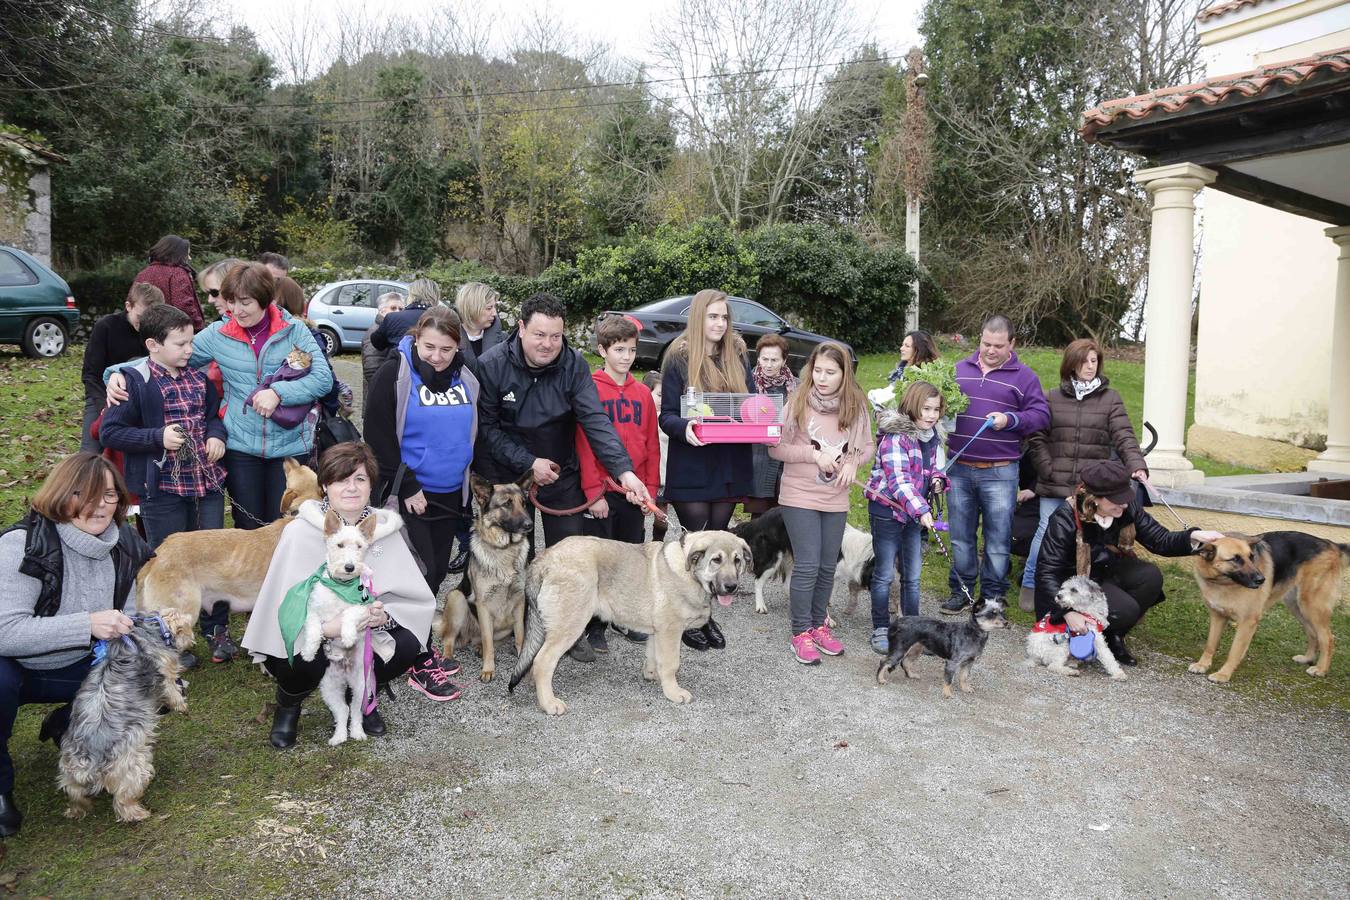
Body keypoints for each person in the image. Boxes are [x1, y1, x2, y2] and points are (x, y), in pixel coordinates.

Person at [106, 263, 333, 662]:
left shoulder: (295, 331)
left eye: (245, 303)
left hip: (287, 451)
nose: (236, 310)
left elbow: (323, 381)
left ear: (266, 301)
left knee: (289, 541)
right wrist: (114, 376)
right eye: (231, 302)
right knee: (248, 540)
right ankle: (241, 624)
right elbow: (157, 355)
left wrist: (278, 392)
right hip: (243, 448)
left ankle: (284, 623)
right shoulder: (220, 333)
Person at [242, 442, 443, 748]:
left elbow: (409, 598)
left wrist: (383, 617)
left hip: (365, 634)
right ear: (325, 485)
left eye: (360, 479)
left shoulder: (383, 530)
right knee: (305, 654)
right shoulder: (300, 532)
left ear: (370, 485)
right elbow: (281, 606)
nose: (351, 487)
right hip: (314, 630)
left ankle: (363, 697)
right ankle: (289, 703)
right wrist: (325, 630)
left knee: (409, 640)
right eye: (341, 480)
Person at [0, 453, 152, 836]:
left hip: (82, 665)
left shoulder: (125, 545)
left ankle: (71, 726)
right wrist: (86, 624)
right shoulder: (23, 545)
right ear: (61, 495)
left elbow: (131, 617)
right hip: (17, 667)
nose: (100, 506)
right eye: (86, 495)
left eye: (110, 495)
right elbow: (5, 631)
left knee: (146, 678)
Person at [475, 293, 650, 554]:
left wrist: (625, 472)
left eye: (555, 336)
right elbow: (487, 429)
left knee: (567, 557)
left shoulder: (574, 364)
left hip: (561, 473)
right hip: (508, 474)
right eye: (540, 335)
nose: (548, 344)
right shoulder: (491, 365)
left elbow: (595, 420)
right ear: (522, 328)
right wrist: (530, 464)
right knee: (516, 559)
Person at [1034, 460, 1223, 666]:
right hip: (1074, 586)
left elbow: (1159, 539)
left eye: (1125, 497)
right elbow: (1047, 573)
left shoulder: (1127, 507)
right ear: (1094, 498)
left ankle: (1113, 637)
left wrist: (1193, 536)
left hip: (1106, 571)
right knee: (1126, 611)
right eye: (1117, 500)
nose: (1124, 504)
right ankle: (1077, 632)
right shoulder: (1064, 518)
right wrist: (1067, 612)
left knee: (1150, 576)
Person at [364, 307, 478, 616]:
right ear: (416, 340)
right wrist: (409, 485)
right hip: (410, 492)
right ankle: (409, 648)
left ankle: (415, 643)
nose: (437, 357)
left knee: (438, 570)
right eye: (429, 347)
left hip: (451, 493)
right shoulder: (394, 374)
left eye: (446, 349)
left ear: (458, 347)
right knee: (417, 571)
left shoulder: (466, 377)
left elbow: (473, 432)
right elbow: (377, 435)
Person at [1020, 339, 1148, 612]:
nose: (1090, 367)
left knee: (1085, 539)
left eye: (1094, 361)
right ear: (1071, 364)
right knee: (1045, 533)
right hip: (1055, 482)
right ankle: (1032, 584)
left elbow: (1124, 436)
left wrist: (1136, 464)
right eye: (1084, 361)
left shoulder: (1110, 399)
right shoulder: (1051, 397)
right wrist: (1046, 468)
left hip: (1091, 486)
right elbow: (1037, 437)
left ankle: (1081, 591)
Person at [659, 289, 753, 652]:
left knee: (719, 545)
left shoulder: (739, 354)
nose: (719, 324)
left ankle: (704, 615)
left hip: (730, 462)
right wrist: (687, 429)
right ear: (699, 318)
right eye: (712, 317)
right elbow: (667, 415)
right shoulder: (678, 358)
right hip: (693, 463)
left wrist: (761, 419)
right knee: (695, 544)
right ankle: (687, 618)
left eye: (724, 318)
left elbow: (751, 406)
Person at [769, 342, 873, 665]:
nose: (822, 378)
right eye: (817, 371)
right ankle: (800, 631)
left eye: (831, 372)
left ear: (845, 375)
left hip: (835, 498)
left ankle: (818, 624)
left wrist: (854, 462)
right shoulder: (797, 400)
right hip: (799, 494)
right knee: (809, 563)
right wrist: (814, 454)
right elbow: (776, 448)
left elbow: (867, 446)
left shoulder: (856, 406)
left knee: (828, 566)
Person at [940, 315, 1050, 615]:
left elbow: (1041, 415)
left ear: (1012, 344)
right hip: (959, 468)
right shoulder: (958, 371)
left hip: (1000, 472)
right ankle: (961, 591)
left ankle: (993, 597)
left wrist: (1011, 420)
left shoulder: (1025, 377)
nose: (990, 350)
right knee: (961, 537)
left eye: (998, 346)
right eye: (986, 343)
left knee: (998, 539)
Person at [99, 304, 228, 552]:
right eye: (181, 344)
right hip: (162, 491)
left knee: (211, 555)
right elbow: (110, 432)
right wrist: (157, 437)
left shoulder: (199, 379)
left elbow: (212, 417)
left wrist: (216, 436)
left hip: (207, 485)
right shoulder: (135, 383)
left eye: (191, 342)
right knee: (169, 557)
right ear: (153, 345)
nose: (190, 350)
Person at [573, 315, 660, 655]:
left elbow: (651, 444)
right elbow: (583, 443)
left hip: (634, 493)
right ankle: (595, 626)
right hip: (603, 493)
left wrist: (650, 488)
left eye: (631, 350)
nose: (626, 357)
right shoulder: (590, 390)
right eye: (619, 349)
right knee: (600, 561)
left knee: (630, 557)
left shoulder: (642, 393)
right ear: (602, 350)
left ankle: (626, 618)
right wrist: (594, 492)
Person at [864, 381, 946, 653]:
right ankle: (881, 628)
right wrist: (922, 510)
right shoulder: (895, 438)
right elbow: (899, 482)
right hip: (888, 512)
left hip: (913, 513)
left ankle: (915, 630)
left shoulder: (931, 436)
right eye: (926, 408)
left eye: (936, 409)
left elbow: (932, 469)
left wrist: (937, 481)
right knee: (885, 573)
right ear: (912, 406)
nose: (932, 414)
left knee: (913, 576)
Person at [80, 283, 163, 453]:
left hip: (144, 399)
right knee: (90, 453)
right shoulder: (106, 327)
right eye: (141, 316)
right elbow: (90, 375)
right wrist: (104, 406)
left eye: (152, 317)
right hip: (102, 395)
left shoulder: (158, 331)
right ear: (128, 306)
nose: (146, 323)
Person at [745, 334, 796, 518]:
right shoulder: (747, 384)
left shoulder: (794, 387)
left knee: (784, 518)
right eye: (764, 359)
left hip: (785, 462)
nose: (768, 364)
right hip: (758, 460)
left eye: (774, 360)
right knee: (758, 521)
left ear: (784, 360)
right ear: (758, 358)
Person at [133, 235, 204, 332]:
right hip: (175, 332)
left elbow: (133, 302)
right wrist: (199, 327)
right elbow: (183, 306)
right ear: (177, 254)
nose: (189, 258)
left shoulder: (143, 273)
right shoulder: (178, 273)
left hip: (147, 331)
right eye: (187, 254)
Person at [370, 278, 441, 357]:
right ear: (436, 296)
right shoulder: (443, 319)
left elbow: (377, 343)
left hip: (400, 366)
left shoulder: (392, 317)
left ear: (411, 295)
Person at [642, 370, 671, 544]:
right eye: (659, 395)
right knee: (639, 510)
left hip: (664, 475)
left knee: (661, 513)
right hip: (644, 475)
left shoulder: (667, 418)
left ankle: (657, 542)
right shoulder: (644, 416)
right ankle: (637, 542)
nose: (662, 399)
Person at [455, 281, 506, 374]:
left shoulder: (505, 340)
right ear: (472, 308)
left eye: (495, 307)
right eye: (489, 308)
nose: (495, 313)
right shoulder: (449, 340)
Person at [363, 291, 406, 397]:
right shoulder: (376, 331)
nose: (397, 312)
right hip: (379, 395)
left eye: (401, 309)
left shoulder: (391, 329)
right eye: (393, 308)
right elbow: (371, 369)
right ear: (382, 310)